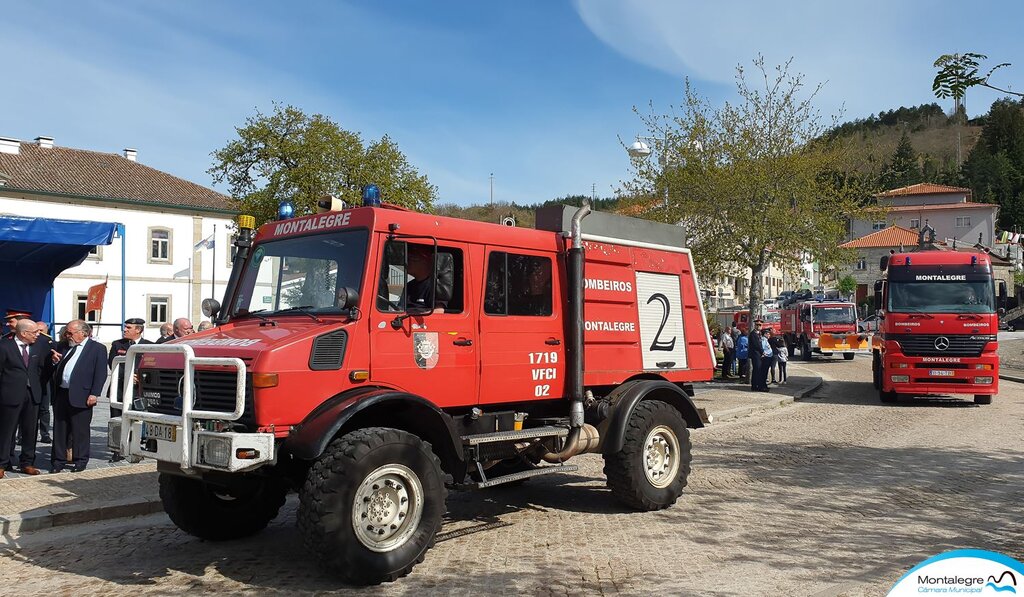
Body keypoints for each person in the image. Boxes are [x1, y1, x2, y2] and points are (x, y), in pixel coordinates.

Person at [51, 320, 108, 473]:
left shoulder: (97, 349)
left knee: (80, 430)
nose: (67, 335)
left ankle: (80, 460)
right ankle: (58, 460)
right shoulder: (62, 346)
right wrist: (54, 362)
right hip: (62, 393)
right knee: (60, 429)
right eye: (67, 332)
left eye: (71, 333)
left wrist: (94, 393)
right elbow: (55, 368)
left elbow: (100, 373)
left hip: (82, 394)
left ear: (82, 333)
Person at [0, 319, 50, 477]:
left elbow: (45, 369)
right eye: (34, 332)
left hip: (32, 394)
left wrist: (37, 385)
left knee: (30, 430)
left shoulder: (39, 346)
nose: (38, 335)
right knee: (6, 431)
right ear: (23, 333)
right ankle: (2, 462)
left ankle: (27, 462)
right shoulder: (4, 346)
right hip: (10, 395)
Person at [108, 318, 152, 416]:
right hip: (120, 389)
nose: (125, 330)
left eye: (128, 327)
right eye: (125, 327)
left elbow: (151, 366)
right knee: (117, 421)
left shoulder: (149, 345)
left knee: (137, 421)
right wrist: (128, 375)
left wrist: (141, 377)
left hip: (138, 390)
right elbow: (113, 364)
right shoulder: (117, 344)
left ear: (138, 330)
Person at [34, 322, 54, 445]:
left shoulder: (49, 342)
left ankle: (45, 433)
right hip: (33, 378)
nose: (39, 333)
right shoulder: (31, 342)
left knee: (44, 409)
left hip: (45, 379)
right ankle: (21, 435)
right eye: (38, 330)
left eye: (42, 330)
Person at [405, 245, 435, 310]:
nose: (407, 262)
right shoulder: (409, 285)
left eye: (412, 258)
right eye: (407, 258)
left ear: (426, 261)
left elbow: (439, 311)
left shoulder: (435, 286)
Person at [747, 319, 763, 390]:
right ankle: (754, 385)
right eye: (757, 325)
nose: (758, 326)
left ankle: (758, 385)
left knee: (759, 370)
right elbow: (757, 345)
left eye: (760, 325)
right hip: (755, 354)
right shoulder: (753, 334)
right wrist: (763, 352)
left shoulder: (759, 333)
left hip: (759, 354)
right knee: (756, 369)